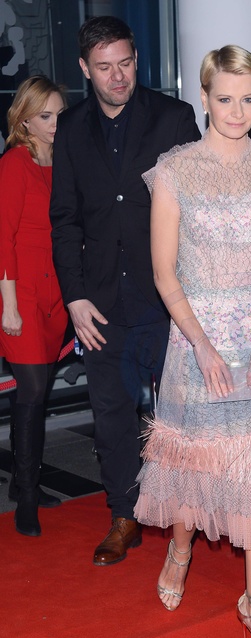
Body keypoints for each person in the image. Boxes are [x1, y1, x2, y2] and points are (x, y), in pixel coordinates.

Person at [134, 45, 251, 638]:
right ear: (204, 98)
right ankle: (180, 548)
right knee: (198, 467)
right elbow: (165, 274)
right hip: (198, 341)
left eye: (249, 99)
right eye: (225, 98)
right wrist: (202, 343)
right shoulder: (174, 171)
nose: (238, 111)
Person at [50, 16, 200, 566]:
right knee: (111, 413)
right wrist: (74, 296)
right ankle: (125, 516)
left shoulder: (173, 118)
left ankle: (192, 514)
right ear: (84, 69)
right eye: (105, 68)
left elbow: (198, 213)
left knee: (183, 414)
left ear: (137, 58)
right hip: (99, 302)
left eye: (126, 64)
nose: (118, 77)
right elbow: (64, 219)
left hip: (167, 298)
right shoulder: (70, 128)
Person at [0, 75, 68, 537]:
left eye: (60, 114)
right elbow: (2, 239)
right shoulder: (13, 164)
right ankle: (26, 495)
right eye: (45, 116)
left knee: (37, 394)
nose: (55, 123)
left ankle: (21, 480)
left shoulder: (61, 162)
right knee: (31, 391)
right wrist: (9, 307)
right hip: (20, 291)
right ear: (24, 119)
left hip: (56, 294)